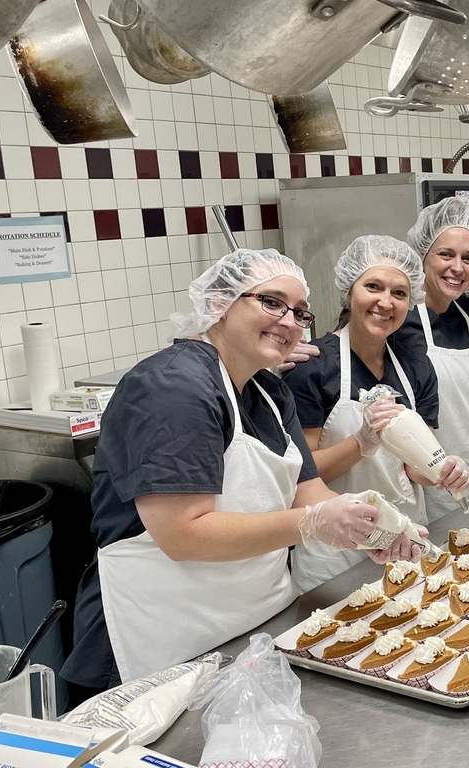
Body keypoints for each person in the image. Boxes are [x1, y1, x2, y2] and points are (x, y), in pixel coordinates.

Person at [61, 248, 420, 696]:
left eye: (300, 312)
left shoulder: (268, 391)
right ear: (219, 303)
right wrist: (311, 526)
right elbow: (182, 535)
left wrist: (375, 524)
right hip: (161, 640)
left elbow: (307, 492)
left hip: (253, 625)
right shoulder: (171, 388)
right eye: (271, 302)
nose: (289, 321)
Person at [283, 235, 469, 592]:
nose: (386, 302)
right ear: (349, 293)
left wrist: (445, 470)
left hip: (404, 537)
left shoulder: (416, 368)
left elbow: (416, 467)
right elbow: (300, 474)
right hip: (335, 555)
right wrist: (361, 442)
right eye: (373, 287)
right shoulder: (313, 368)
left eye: (399, 293)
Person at [398, 196, 469, 518]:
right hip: (430, 489)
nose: (457, 268)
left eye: (468, 258)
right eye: (445, 254)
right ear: (423, 256)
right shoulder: (398, 323)